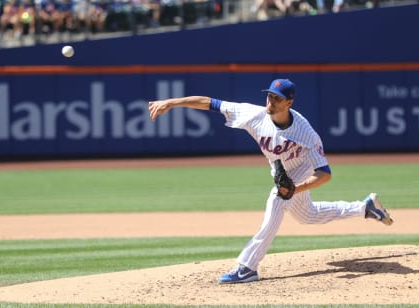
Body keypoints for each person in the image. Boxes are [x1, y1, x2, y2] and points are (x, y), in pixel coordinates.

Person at [148, 78, 394, 283]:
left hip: (300, 172)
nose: (271, 101)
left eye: (277, 98)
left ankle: (247, 267)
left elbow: (325, 173)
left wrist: (296, 188)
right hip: (282, 172)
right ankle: (365, 207)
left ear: (289, 102)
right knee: (308, 216)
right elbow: (211, 103)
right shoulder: (254, 115)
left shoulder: (306, 133)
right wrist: (172, 102)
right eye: (269, 96)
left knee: (277, 200)